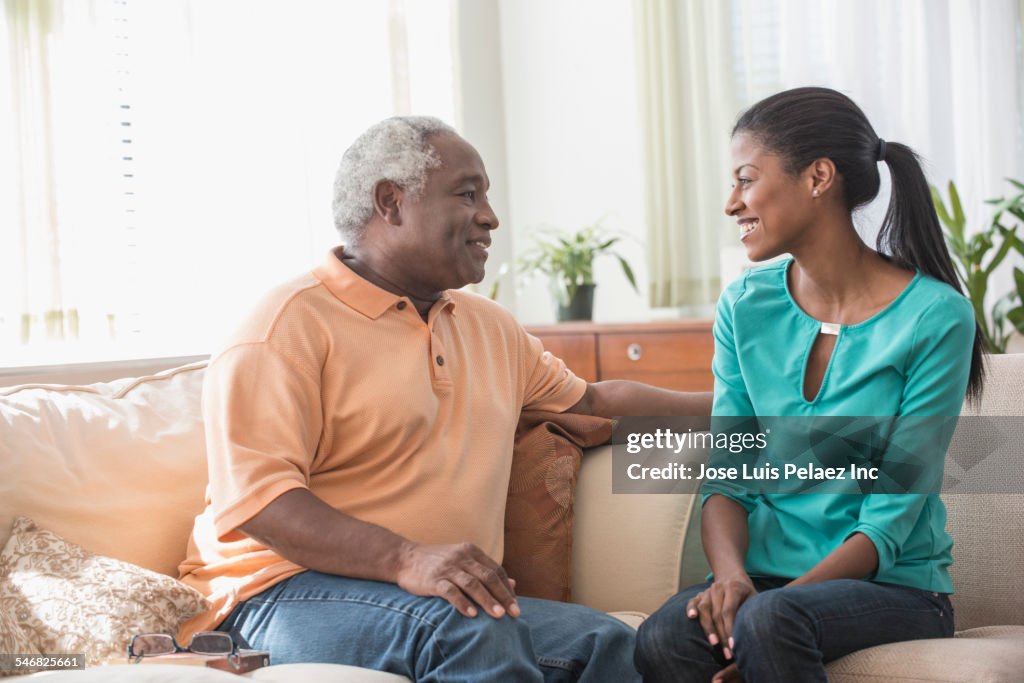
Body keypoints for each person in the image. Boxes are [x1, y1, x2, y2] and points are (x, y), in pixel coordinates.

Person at [177, 115, 712, 682]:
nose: (491, 217)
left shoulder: (488, 326)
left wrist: (750, 408)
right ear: (391, 201)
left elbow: (592, 405)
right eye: (468, 194)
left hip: (434, 597)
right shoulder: (285, 327)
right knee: (469, 629)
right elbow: (261, 504)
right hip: (271, 595)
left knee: (609, 643)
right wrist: (407, 558)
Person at [633, 87, 985, 683]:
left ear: (819, 177)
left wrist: (764, 616)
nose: (731, 203)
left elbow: (889, 519)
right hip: (766, 585)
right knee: (665, 634)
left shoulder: (935, 317)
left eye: (746, 179)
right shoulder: (746, 305)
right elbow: (729, 478)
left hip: (892, 588)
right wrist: (732, 582)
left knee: (773, 622)